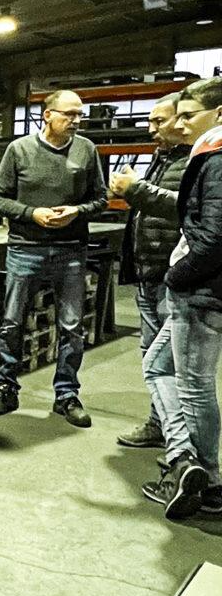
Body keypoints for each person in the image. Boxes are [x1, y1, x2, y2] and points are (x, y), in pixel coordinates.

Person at [121, 77, 222, 519]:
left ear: (217, 114)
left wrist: (177, 276)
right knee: (160, 365)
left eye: (187, 115)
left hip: (198, 288)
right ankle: (185, 461)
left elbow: (214, 235)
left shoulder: (214, 159)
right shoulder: (202, 155)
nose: (179, 126)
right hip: (191, 285)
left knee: (194, 383)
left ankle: (209, 480)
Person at [0, 90, 107, 428]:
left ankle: (66, 394)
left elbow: (101, 198)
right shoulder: (19, 150)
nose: (76, 121)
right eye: (69, 114)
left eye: (79, 115)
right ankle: (6, 387)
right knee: (12, 321)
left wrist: (77, 211)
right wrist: (31, 213)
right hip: (25, 248)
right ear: (47, 115)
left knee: (71, 327)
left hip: (71, 249)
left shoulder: (87, 150)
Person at [114, 94, 188, 449]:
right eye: (151, 121)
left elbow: (184, 208)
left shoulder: (194, 161)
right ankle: (160, 424)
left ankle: (182, 443)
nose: (151, 128)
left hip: (169, 275)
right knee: (153, 357)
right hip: (147, 272)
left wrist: (136, 190)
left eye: (160, 121)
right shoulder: (164, 158)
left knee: (170, 363)